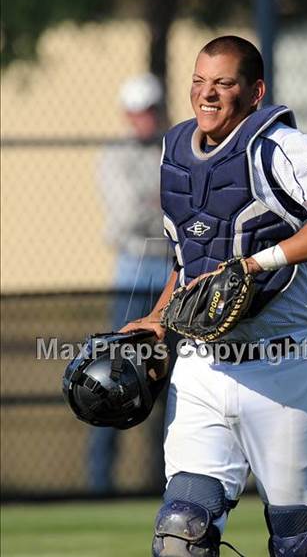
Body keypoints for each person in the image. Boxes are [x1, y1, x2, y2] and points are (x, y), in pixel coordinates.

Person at [121, 36, 307, 556]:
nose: (207, 95)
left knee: (299, 544)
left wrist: (262, 261)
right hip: (203, 368)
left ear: (255, 91)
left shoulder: (281, 146)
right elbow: (191, 262)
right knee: (178, 535)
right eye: (199, 81)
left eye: (224, 83)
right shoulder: (175, 151)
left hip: (287, 365)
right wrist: (159, 319)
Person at [89, 73, 170, 494]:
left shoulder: (174, 149)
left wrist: (153, 204)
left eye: (151, 110)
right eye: (138, 112)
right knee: (113, 373)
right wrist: (161, 204)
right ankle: (99, 486)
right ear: (128, 114)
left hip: (172, 270)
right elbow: (126, 215)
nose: (145, 119)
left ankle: (170, 479)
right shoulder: (115, 155)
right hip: (133, 267)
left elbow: (180, 210)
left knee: (174, 377)